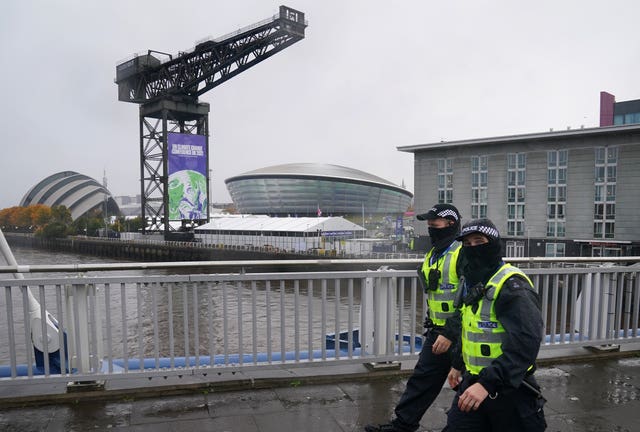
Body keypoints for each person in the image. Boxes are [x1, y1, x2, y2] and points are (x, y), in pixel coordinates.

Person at [365, 204, 465, 432]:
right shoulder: (433, 254)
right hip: (437, 332)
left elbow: (472, 301)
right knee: (422, 381)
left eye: (434, 223)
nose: (430, 227)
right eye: (428, 223)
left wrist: (451, 332)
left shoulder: (462, 253)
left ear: (450, 224)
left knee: (470, 387)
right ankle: (402, 426)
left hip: (461, 334)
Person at [443, 218, 546, 432]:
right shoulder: (472, 281)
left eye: (479, 241)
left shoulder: (511, 285)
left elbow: (526, 342)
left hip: (510, 389)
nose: (473, 248)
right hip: (473, 382)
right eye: (467, 244)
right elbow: (472, 328)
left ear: (494, 243)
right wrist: (458, 363)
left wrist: (487, 384)